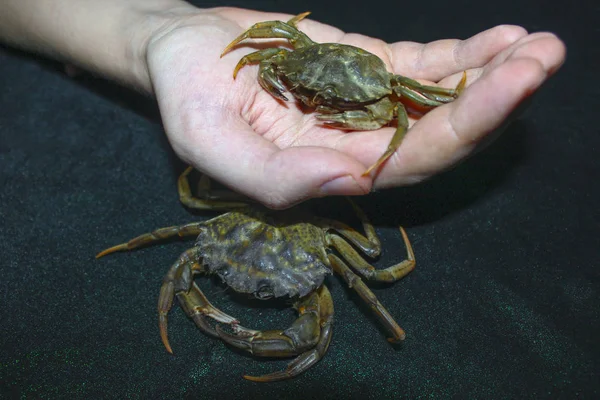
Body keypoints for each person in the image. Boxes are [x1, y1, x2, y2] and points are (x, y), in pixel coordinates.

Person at [0, 1, 566, 209]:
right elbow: (272, 42)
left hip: (367, 82)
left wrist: (157, 23)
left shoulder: (391, 95)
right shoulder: (294, 50)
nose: (316, 104)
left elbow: (398, 113)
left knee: (429, 107)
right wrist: (173, 31)